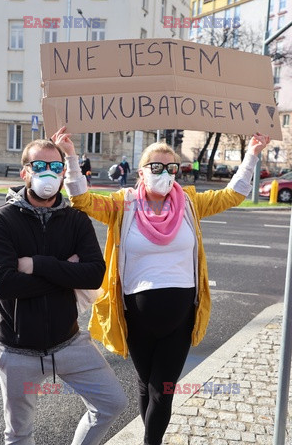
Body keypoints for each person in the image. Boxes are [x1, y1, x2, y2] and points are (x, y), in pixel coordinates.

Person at [53, 127, 269, 445]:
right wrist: (71, 155)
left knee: (163, 390)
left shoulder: (190, 203)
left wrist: (252, 154)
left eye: (172, 168)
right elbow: (82, 199)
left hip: (180, 318)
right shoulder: (123, 204)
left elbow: (232, 195)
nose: (165, 174)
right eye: (156, 167)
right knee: (145, 385)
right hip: (136, 317)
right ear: (141, 171)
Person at [0, 138, 127, 445]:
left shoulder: (75, 219)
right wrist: (66, 270)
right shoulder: (1, 220)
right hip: (16, 348)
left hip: (69, 341)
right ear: (25, 173)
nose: (47, 173)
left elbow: (94, 274)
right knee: (18, 433)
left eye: (55, 167)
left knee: (113, 402)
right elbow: (5, 284)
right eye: (39, 166)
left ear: (64, 173)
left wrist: (38, 264)